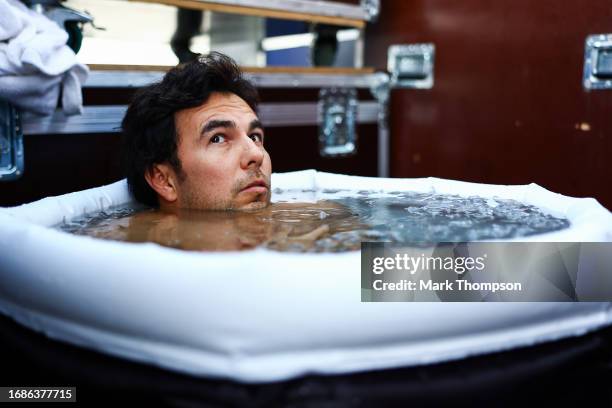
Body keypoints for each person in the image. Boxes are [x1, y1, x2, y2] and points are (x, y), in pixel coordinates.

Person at [121, 52, 272, 211]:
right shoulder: (108, 233)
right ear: (163, 180)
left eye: (254, 137)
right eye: (218, 138)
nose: (256, 154)